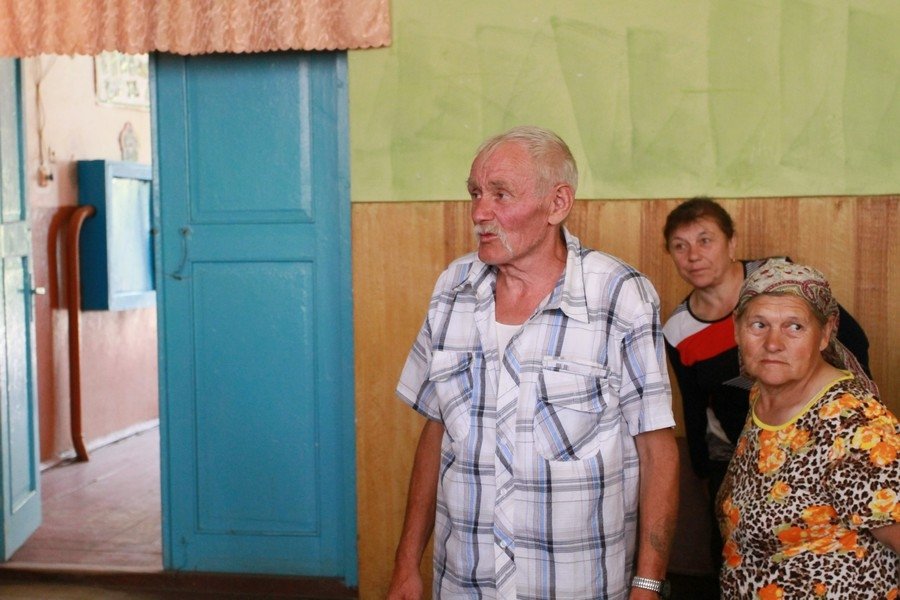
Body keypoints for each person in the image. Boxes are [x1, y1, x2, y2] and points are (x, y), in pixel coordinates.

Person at [388, 126, 679, 599]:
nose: (479, 212)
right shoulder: (452, 290)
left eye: (500, 194)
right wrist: (406, 564)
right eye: (476, 193)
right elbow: (436, 432)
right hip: (464, 582)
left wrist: (647, 585)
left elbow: (657, 450)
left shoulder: (620, 295)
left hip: (576, 584)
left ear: (557, 203)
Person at [660, 197, 871, 569]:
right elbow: (695, 406)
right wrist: (705, 475)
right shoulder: (678, 328)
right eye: (680, 246)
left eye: (705, 240)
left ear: (732, 243)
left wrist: (854, 417)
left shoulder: (777, 278)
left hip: (816, 447)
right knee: (737, 557)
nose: (693, 255)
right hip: (740, 455)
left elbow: (852, 341)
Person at [717, 258, 899, 599]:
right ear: (737, 328)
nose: (773, 343)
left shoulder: (855, 425)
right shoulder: (762, 395)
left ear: (825, 333)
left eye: (794, 327)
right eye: (759, 325)